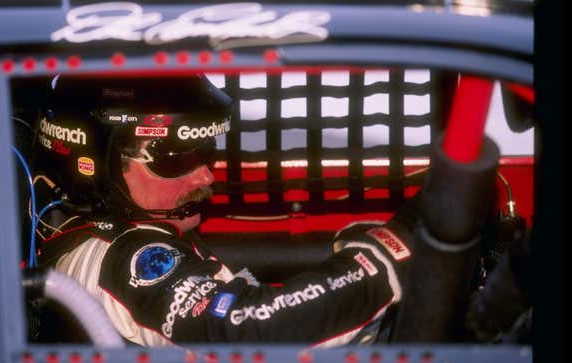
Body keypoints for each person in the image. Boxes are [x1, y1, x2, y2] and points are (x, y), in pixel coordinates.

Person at [27, 73, 419, 347]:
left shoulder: (103, 239)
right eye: (175, 161)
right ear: (92, 165)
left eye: (207, 153)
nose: (205, 176)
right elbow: (242, 331)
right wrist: (381, 261)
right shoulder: (127, 258)